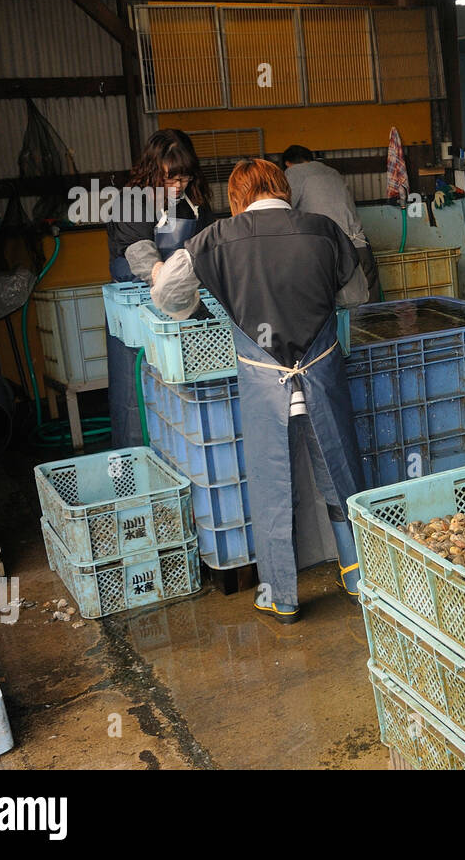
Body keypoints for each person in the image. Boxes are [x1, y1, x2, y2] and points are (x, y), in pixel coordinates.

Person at [127, 159, 370, 624]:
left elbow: (167, 295)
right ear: (282, 188)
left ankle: (282, 598)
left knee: (271, 487)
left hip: (263, 381)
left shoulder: (214, 239)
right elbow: (355, 294)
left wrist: (205, 308)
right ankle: (359, 577)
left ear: (238, 198)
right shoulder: (324, 230)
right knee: (342, 475)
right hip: (322, 373)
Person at [105, 130, 215, 447]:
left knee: (185, 399)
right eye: (170, 178)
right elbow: (141, 256)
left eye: (184, 177)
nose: (178, 185)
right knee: (139, 395)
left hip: (188, 309)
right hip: (140, 314)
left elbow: (209, 248)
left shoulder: (195, 204)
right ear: (152, 169)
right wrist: (167, 282)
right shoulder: (131, 201)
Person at [281, 144, 381, 302]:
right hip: (360, 244)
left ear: (287, 163)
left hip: (330, 249)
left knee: (336, 304)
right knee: (369, 301)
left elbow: (284, 208)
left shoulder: (293, 173)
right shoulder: (333, 172)